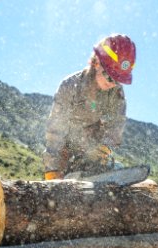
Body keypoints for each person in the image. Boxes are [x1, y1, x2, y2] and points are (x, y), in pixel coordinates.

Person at [43, 34, 136, 180]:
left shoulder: (116, 95)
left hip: (93, 146)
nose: (113, 84)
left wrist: (103, 149)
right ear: (96, 63)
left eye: (118, 80)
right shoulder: (70, 86)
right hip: (65, 146)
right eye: (110, 77)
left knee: (111, 171)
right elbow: (55, 132)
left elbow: (115, 126)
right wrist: (52, 170)